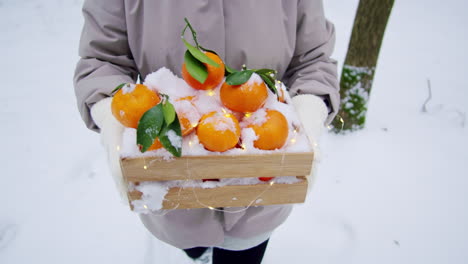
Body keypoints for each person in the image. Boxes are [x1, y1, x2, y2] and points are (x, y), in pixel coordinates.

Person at [74, 0, 339, 263]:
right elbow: (103, 59)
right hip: (173, 183)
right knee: (191, 246)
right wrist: (115, 118)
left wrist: (309, 113)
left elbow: (313, 59)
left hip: (260, 188)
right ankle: (198, 254)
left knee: (246, 252)